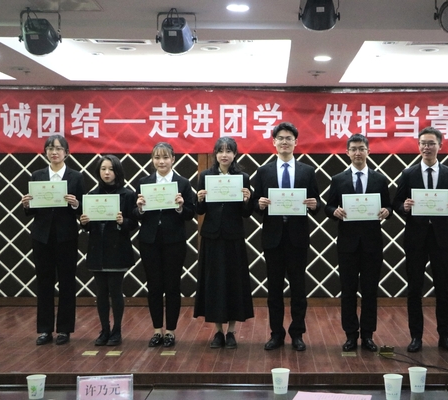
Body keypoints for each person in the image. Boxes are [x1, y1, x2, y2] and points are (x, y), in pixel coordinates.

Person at [252, 121, 322, 351]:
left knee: (298, 289)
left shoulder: (307, 171)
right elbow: (254, 204)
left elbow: (317, 203)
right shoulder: (263, 172)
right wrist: (259, 204)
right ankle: (276, 334)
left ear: (295, 142)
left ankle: (297, 334)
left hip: (297, 238)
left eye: (288, 138)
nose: (284, 142)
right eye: (280, 138)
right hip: (272, 238)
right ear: (274, 142)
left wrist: (314, 205)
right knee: (274, 290)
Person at [392, 126, 448, 353]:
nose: (427, 147)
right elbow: (396, 203)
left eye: (431, 143)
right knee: (414, 289)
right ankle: (416, 337)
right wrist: (405, 207)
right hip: (415, 238)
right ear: (418, 146)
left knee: (443, 288)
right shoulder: (408, 174)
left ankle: (445, 336)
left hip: (441, 238)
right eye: (423, 143)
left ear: (440, 146)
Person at [325, 134, 392, 352]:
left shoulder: (380, 179)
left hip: (372, 243)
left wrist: (387, 211)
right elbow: (328, 207)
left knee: (370, 291)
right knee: (348, 291)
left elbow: (389, 206)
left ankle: (368, 335)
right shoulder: (338, 179)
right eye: (353, 149)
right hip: (347, 244)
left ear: (368, 152)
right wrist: (334, 211)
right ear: (347, 152)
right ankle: (350, 335)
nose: (357, 153)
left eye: (361, 149)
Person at [21, 135, 84, 346]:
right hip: (42, 236)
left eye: (58, 148)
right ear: (45, 152)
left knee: (67, 282)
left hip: (67, 236)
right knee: (44, 282)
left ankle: (64, 329)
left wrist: (75, 204)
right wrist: (27, 205)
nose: (54, 152)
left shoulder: (76, 177)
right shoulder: (37, 175)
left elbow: (83, 209)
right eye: (50, 148)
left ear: (67, 152)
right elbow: (32, 210)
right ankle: (45, 329)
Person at [194, 137, 254, 349]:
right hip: (212, 237)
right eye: (221, 151)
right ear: (215, 154)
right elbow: (199, 210)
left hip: (233, 236)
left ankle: (231, 332)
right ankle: (218, 331)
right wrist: (199, 199)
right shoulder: (205, 176)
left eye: (229, 151)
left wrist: (247, 200)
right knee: (214, 284)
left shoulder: (243, 178)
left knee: (233, 283)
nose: (224, 155)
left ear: (235, 154)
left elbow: (246, 213)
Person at [133, 142, 195, 348]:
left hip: (174, 240)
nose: (161, 162)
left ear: (173, 159)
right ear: (152, 160)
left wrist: (180, 207)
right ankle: (157, 330)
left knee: (172, 285)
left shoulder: (183, 183)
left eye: (165, 157)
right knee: (154, 286)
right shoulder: (144, 182)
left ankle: (170, 331)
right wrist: (140, 208)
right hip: (149, 241)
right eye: (157, 157)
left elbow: (190, 213)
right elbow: (135, 214)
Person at [79, 155, 138, 346]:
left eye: (111, 169)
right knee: (101, 292)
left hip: (117, 249)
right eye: (103, 169)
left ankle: (117, 330)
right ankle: (104, 330)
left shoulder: (128, 194)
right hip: (97, 249)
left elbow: (134, 223)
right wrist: (84, 223)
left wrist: (123, 222)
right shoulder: (92, 195)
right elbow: (88, 226)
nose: (107, 173)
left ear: (117, 172)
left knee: (115, 291)